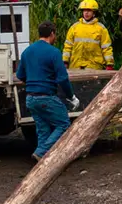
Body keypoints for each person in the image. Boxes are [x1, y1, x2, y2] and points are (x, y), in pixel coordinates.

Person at [16, 21, 80, 161]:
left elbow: (20, 75)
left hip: (31, 98)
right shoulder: (54, 52)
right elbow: (63, 78)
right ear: (52, 34)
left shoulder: (27, 51)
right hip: (47, 97)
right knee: (63, 124)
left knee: (43, 129)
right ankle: (41, 152)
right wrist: (71, 96)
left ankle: (43, 160)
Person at [62, 0, 114, 71]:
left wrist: (109, 64)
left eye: (89, 10)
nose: (86, 13)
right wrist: (65, 61)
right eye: (84, 10)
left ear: (94, 13)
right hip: (76, 66)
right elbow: (68, 46)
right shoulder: (74, 27)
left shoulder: (101, 29)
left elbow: (106, 48)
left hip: (94, 67)